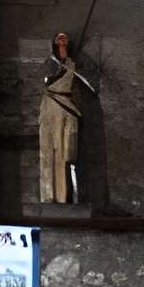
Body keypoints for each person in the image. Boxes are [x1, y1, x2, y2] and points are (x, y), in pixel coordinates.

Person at [39, 29, 95, 205]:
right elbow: (48, 81)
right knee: (50, 152)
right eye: (60, 38)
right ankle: (49, 196)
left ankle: (66, 197)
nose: (63, 41)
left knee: (66, 154)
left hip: (67, 108)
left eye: (65, 38)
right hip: (51, 106)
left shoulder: (71, 64)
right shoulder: (51, 62)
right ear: (55, 42)